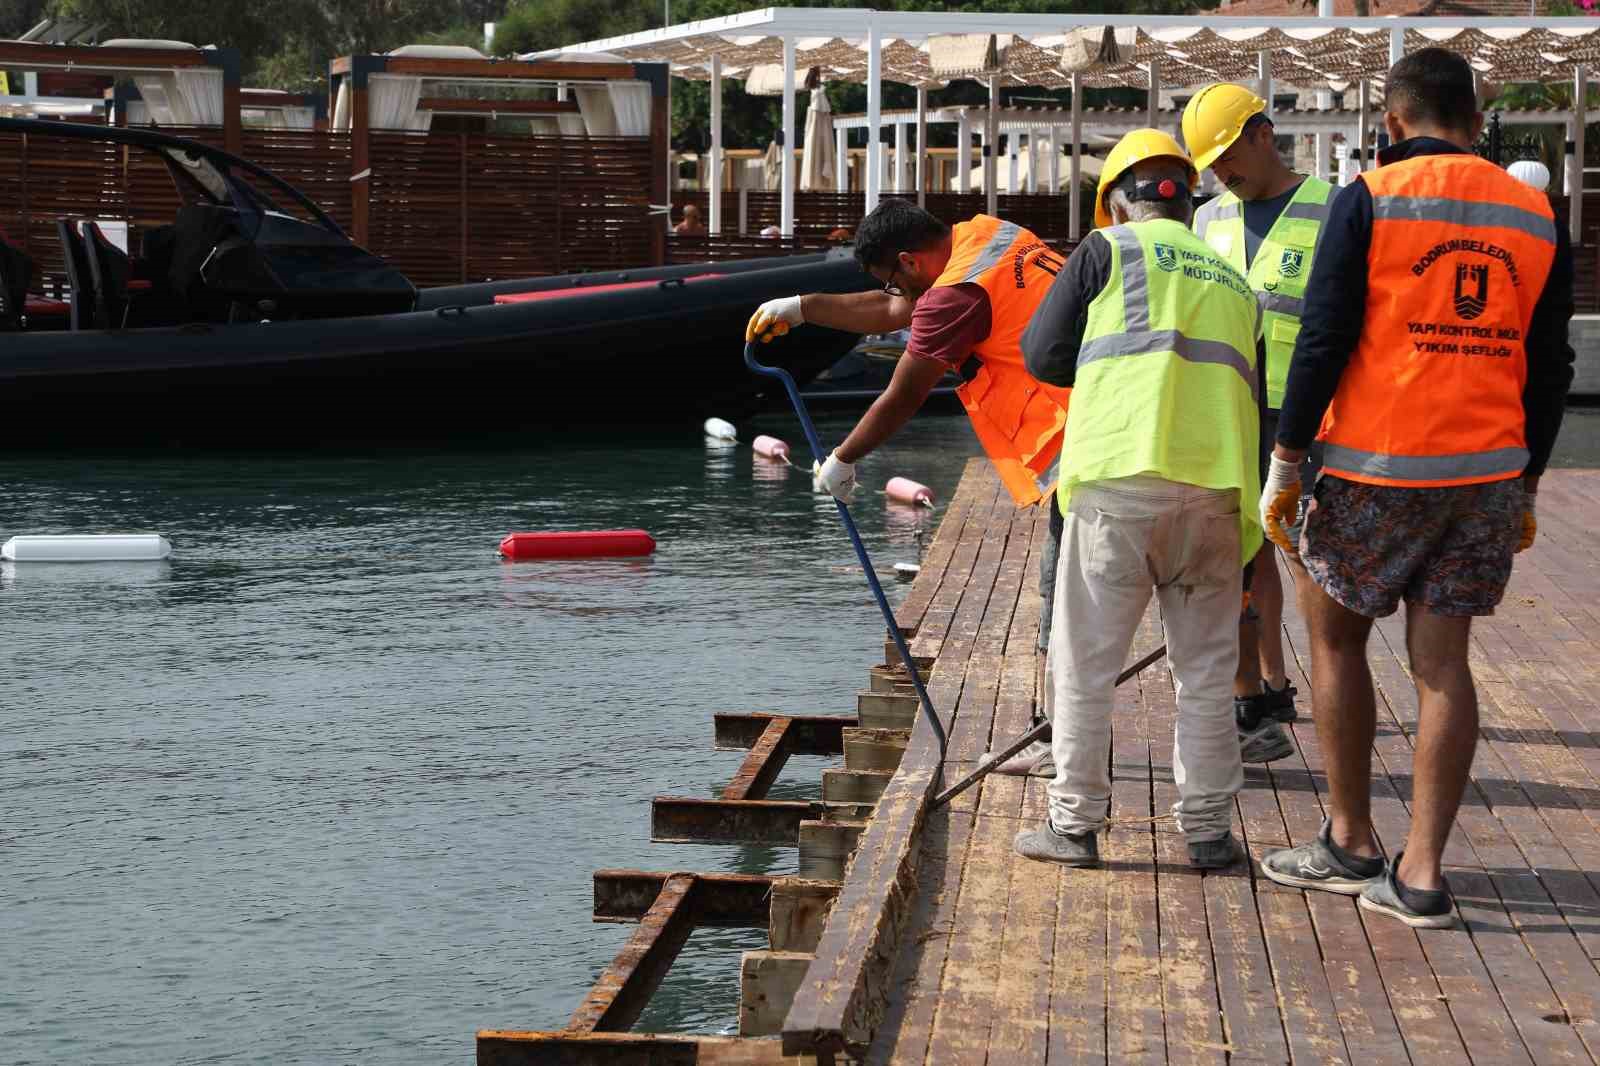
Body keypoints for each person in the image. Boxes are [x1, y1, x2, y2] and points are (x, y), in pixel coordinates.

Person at [1258, 47, 1573, 927]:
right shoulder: (1539, 211)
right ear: (1476, 120)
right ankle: (1423, 875)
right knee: (1444, 669)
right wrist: (1531, 482)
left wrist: (1285, 465)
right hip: (1486, 475)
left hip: (1374, 466)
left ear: (1392, 122)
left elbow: (1322, 338)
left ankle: (1349, 837)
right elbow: (1550, 367)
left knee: (1335, 642)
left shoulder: (1368, 195)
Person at [1013, 129, 1263, 870]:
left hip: (1119, 479)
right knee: (1208, 675)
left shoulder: (1106, 252)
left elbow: (1042, 356)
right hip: (1217, 491)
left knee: (1085, 666)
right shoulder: (1232, 278)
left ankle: (1075, 824)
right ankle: (1210, 834)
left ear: (1115, 204)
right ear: (1187, 203)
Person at [746, 201, 1073, 763]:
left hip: (1076, 436)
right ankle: (1069, 732)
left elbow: (903, 393)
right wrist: (803, 308)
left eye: (894, 277)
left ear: (908, 261)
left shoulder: (952, 295)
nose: (893, 291)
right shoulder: (988, 235)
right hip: (1110, 412)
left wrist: (844, 460)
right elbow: (892, 306)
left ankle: (1061, 741)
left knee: (1063, 598)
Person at [1184, 84, 1336, 762]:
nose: (1224, 174)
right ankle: (1268, 685)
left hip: (1308, 411)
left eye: (1228, 158)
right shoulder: (1207, 219)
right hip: (1230, 404)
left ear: (1263, 134)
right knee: (1246, 549)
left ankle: (1332, 683)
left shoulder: (1334, 209)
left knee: (1306, 552)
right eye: (1212, 166)